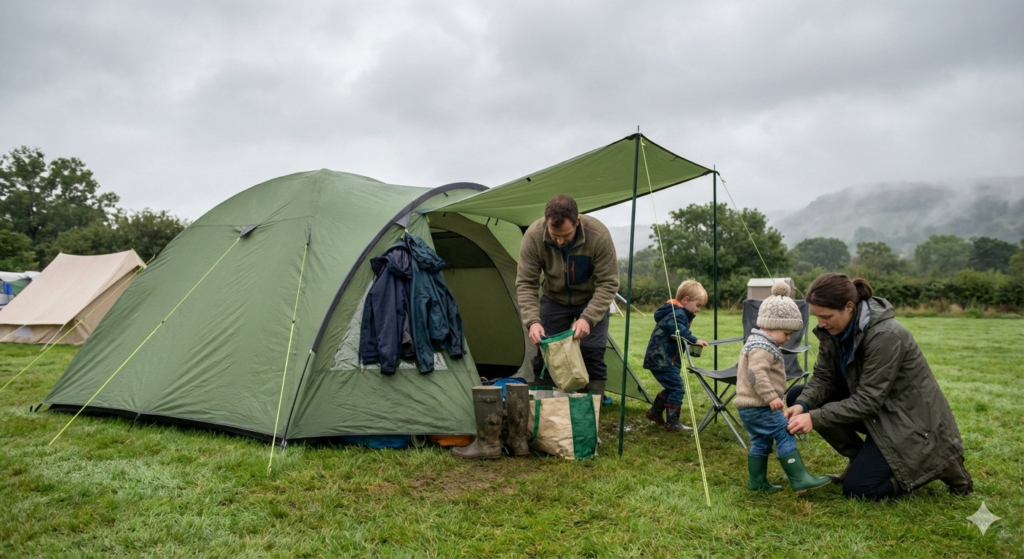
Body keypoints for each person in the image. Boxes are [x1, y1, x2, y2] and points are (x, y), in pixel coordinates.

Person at [785, 273, 973, 500]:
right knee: (799, 396)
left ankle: (941, 463)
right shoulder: (832, 331)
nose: (820, 323)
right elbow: (824, 377)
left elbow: (868, 400)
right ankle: (857, 458)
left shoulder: (886, 335)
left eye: (826, 316)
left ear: (849, 307)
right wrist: (804, 405)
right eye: (816, 316)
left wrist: (814, 418)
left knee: (860, 490)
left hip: (908, 422)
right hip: (876, 414)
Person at [734, 282, 832, 493]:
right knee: (785, 432)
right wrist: (771, 397)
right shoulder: (762, 346)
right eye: (787, 333)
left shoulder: (756, 341)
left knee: (760, 441)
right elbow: (756, 373)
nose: (788, 338)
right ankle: (800, 479)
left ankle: (757, 483)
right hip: (761, 405)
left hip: (748, 407)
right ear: (771, 325)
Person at [516, 195, 619, 395]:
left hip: (591, 300)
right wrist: (532, 321)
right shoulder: (533, 236)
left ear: (577, 222)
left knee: (592, 352)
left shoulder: (598, 235)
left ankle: (590, 412)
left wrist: (588, 318)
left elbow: (608, 283)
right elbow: (526, 283)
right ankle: (546, 409)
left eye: (566, 235)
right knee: (546, 351)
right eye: (555, 236)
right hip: (553, 298)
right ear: (546, 222)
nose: (560, 241)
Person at [642, 280, 709, 432]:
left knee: (672, 387)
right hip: (662, 360)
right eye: (698, 305)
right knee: (677, 388)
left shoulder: (677, 312)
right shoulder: (676, 314)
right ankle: (672, 422)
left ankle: (655, 412)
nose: (698, 310)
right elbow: (677, 331)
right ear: (686, 299)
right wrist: (694, 340)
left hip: (662, 359)